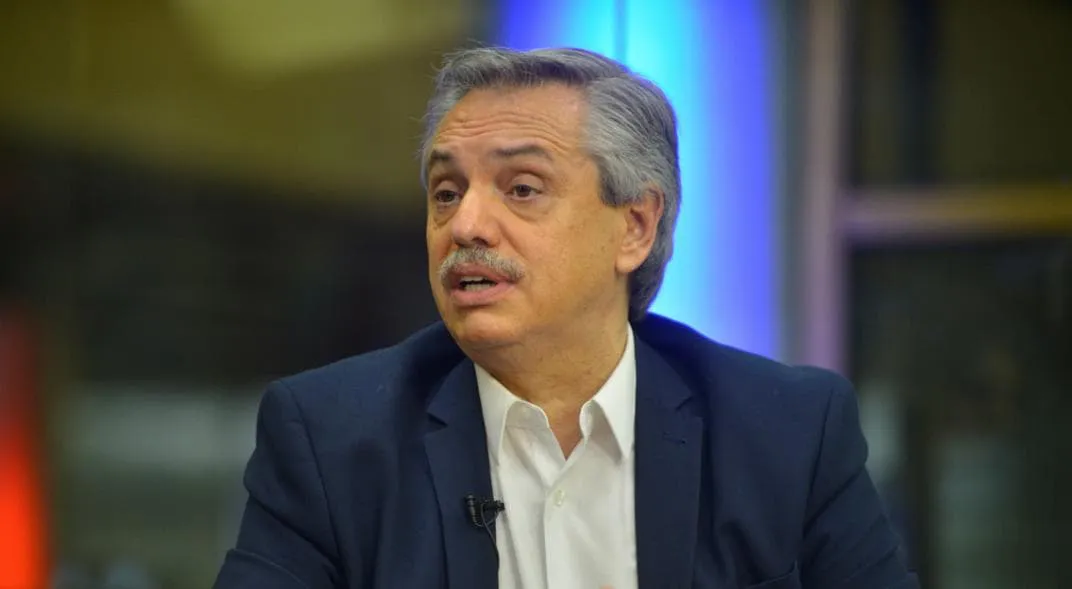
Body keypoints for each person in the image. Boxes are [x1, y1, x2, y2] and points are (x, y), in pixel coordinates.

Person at [213, 47, 918, 589]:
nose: (466, 224)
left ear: (634, 227)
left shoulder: (786, 432)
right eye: (446, 191)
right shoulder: (330, 439)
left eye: (522, 188)